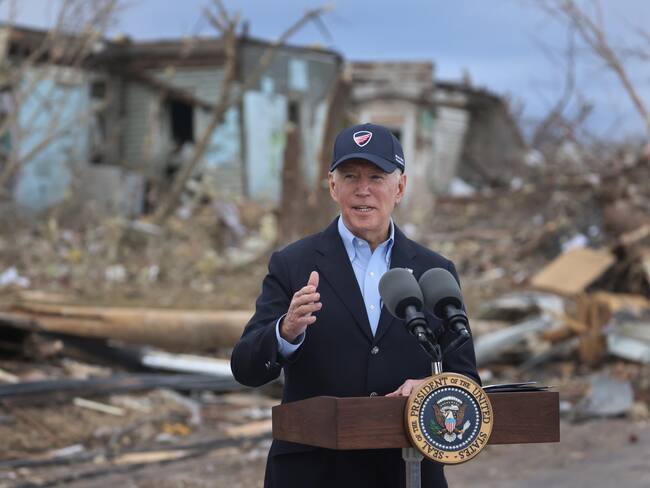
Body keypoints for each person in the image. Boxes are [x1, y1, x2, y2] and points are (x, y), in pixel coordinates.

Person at [230, 123, 479, 488]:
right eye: (350, 176)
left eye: (377, 177)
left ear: (401, 187)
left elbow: (467, 379)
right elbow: (246, 368)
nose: (363, 190)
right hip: (314, 472)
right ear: (333, 186)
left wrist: (429, 388)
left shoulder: (435, 272)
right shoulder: (293, 264)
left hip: (404, 470)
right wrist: (284, 331)